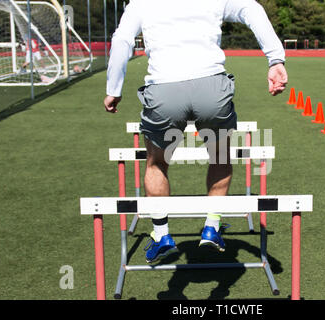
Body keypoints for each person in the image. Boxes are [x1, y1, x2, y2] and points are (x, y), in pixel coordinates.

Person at [104, 0, 288, 264]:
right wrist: (275, 59)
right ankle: (212, 227)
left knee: (156, 164)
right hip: (211, 89)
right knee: (220, 158)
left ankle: (161, 235)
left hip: (165, 91)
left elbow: (122, 41)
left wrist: (114, 88)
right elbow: (253, 10)